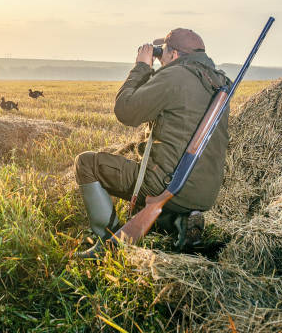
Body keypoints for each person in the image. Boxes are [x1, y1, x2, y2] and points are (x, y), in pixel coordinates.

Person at [74, 28, 231, 258]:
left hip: (169, 185)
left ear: (175, 54)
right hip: (203, 193)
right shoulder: (218, 80)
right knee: (141, 207)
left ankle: (107, 241)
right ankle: (180, 221)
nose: (160, 57)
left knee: (86, 163)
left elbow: (126, 111)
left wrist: (142, 67)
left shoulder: (176, 76)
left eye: (163, 52)